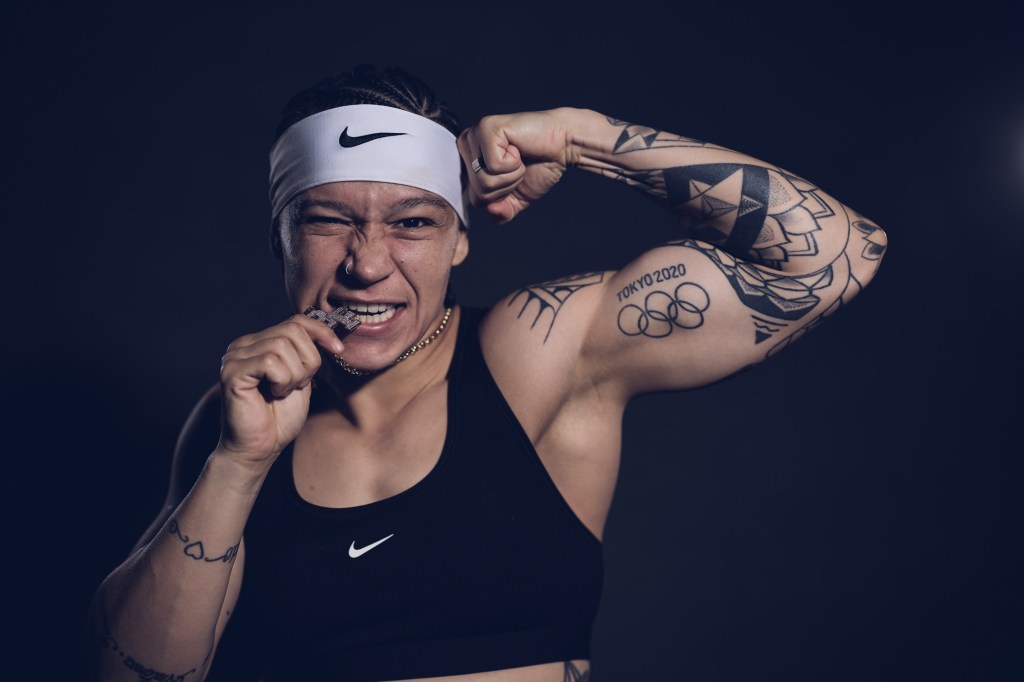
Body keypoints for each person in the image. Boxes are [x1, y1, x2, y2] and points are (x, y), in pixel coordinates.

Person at [88, 64, 887, 682]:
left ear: (460, 239)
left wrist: (581, 138)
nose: (368, 263)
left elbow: (839, 254)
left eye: (412, 223)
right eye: (329, 221)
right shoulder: (237, 421)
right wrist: (237, 463)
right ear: (282, 240)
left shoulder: (533, 352)